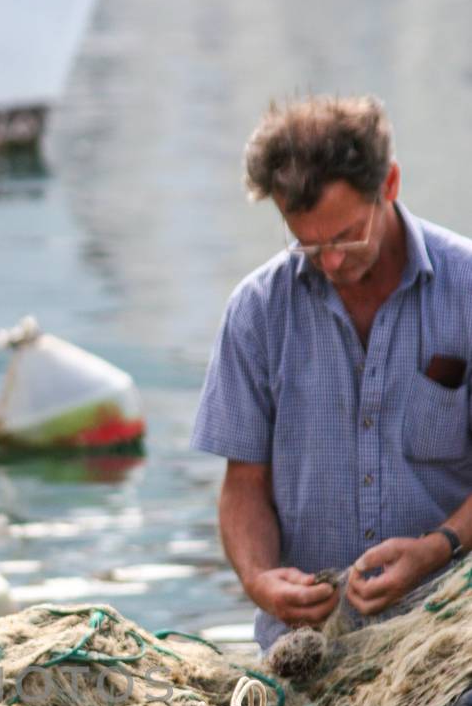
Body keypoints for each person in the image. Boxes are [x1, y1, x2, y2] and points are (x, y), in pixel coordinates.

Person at [193, 94, 472, 651]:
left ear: (388, 185)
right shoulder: (256, 310)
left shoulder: (467, 290)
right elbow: (244, 486)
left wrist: (437, 546)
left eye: (345, 236)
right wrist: (259, 579)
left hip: (453, 638)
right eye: (309, 244)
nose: (332, 262)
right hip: (306, 647)